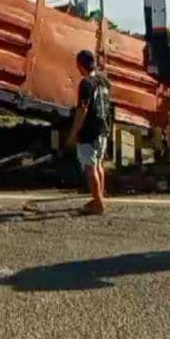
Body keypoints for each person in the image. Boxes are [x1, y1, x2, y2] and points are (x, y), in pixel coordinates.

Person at [67, 49, 112, 216]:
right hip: (103, 129)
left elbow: (82, 110)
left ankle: (98, 203)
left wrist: (74, 131)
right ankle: (98, 198)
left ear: (80, 65)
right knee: (99, 165)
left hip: (89, 131)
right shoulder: (104, 81)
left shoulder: (86, 83)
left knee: (90, 167)